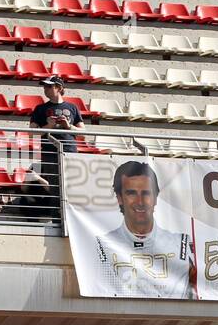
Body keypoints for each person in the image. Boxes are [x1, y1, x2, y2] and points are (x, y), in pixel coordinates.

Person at [92, 160, 196, 298]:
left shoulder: (182, 243)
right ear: (119, 198)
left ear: (155, 198)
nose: (140, 202)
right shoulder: (101, 246)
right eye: (131, 193)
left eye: (146, 193)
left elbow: (202, 285)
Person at [27, 77, 83, 201]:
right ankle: (57, 218)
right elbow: (31, 134)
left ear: (59, 88)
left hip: (70, 151)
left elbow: (83, 132)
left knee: (72, 187)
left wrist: (68, 126)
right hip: (50, 152)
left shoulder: (73, 107)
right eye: (44, 86)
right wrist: (49, 126)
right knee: (55, 188)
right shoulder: (40, 109)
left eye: (49, 86)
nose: (45, 89)